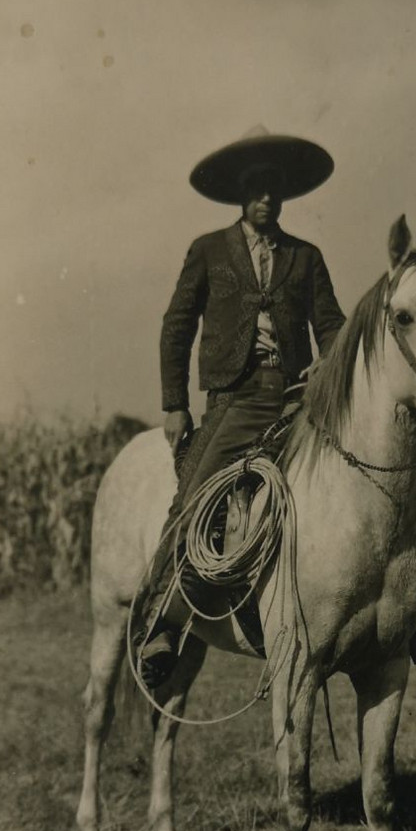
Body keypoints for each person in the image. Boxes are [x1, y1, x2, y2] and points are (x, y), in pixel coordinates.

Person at [135, 128, 346, 686]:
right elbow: (176, 326)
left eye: (274, 188)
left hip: (300, 399)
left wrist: (334, 360)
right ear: (240, 194)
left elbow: (332, 327)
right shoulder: (208, 249)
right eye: (256, 188)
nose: (266, 199)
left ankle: (383, 617)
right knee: (195, 495)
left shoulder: (306, 256)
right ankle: (162, 622)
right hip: (235, 398)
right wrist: (175, 404)